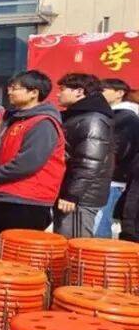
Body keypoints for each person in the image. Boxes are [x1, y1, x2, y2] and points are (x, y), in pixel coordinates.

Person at [0, 71, 65, 250]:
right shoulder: (13, 119)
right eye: (9, 87)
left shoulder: (43, 123)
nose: (9, 92)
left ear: (34, 92)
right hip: (6, 193)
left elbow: (28, 163)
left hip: (27, 198)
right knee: (2, 251)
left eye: (15, 88)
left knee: (18, 254)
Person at [54, 73, 114, 239]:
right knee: (63, 242)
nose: (58, 94)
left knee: (73, 243)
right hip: (72, 191)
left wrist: (71, 194)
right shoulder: (79, 116)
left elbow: (89, 162)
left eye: (63, 89)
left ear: (79, 91)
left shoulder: (93, 119)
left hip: (81, 198)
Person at [97, 79, 139, 238]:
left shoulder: (127, 118)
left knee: (100, 225)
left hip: (112, 178)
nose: (99, 93)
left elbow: (120, 150)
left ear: (120, 93)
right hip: (104, 177)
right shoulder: (110, 114)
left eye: (104, 89)